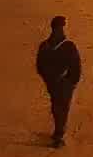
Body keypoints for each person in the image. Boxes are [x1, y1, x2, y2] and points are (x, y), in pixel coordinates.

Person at [35, 15, 83, 147]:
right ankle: (59, 134)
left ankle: (58, 130)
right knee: (63, 108)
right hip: (65, 83)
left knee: (56, 106)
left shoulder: (44, 46)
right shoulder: (68, 46)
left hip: (52, 83)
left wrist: (48, 79)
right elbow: (76, 66)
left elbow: (39, 66)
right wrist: (72, 81)